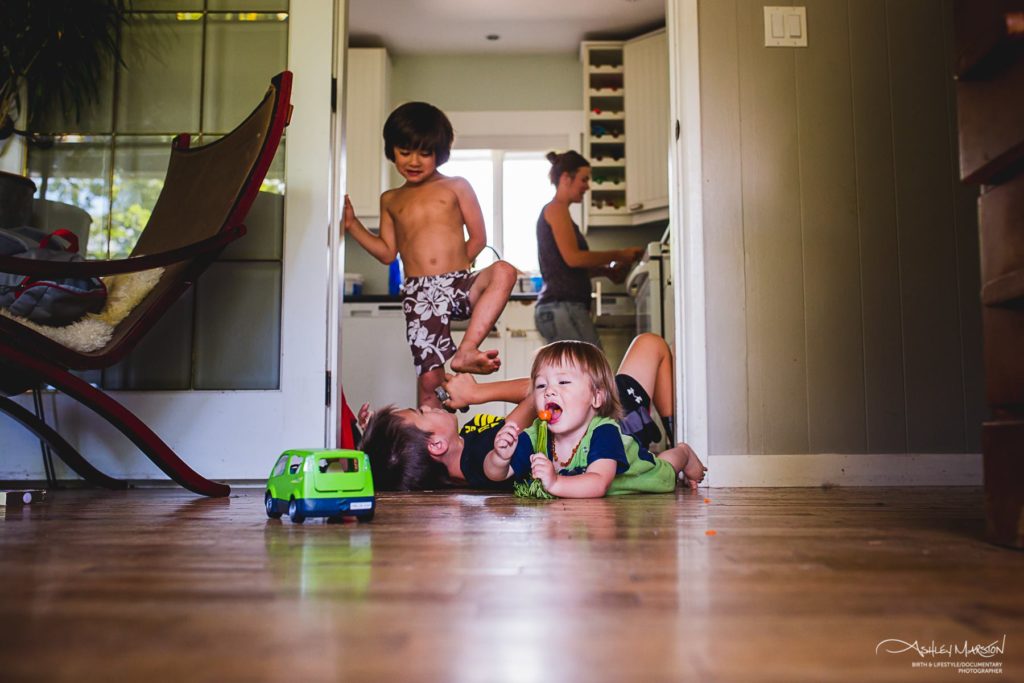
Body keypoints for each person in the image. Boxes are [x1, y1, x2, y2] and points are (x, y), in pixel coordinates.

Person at [357, 332, 705, 493]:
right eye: (422, 411)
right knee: (651, 344)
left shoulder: (459, 461)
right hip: (604, 427)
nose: (430, 404)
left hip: (591, 430)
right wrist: (478, 394)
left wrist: (368, 437)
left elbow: (396, 459)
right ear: (434, 445)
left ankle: (649, 430)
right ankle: (664, 439)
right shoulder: (485, 454)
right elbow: (539, 390)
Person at [343, 101, 517, 407]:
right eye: (405, 151)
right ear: (392, 150)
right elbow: (386, 253)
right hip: (419, 293)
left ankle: (467, 350)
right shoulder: (390, 199)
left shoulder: (456, 187)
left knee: (504, 270)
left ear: (439, 153)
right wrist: (353, 225)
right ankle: (432, 449)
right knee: (430, 384)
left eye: (424, 152)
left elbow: (478, 238)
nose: (413, 160)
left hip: (458, 282)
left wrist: (456, 269)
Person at [482, 339, 704, 498]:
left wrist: (556, 482)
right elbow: (496, 475)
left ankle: (683, 453)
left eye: (564, 382)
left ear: (597, 398)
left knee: (665, 470)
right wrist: (500, 458)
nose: (548, 391)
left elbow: (598, 483)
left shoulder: (603, 431)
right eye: (541, 385)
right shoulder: (536, 434)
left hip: (640, 471)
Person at [534, 150, 644, 346]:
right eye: (584, 179)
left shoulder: (561, 213)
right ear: (566, 178)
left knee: (585, 371)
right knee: (590, 372)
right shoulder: (556, 209)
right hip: (562, 307)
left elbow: (565, 267)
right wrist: (620, 254)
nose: (587, 186)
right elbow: (573, 258)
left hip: (561, 308)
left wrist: (605, 272)